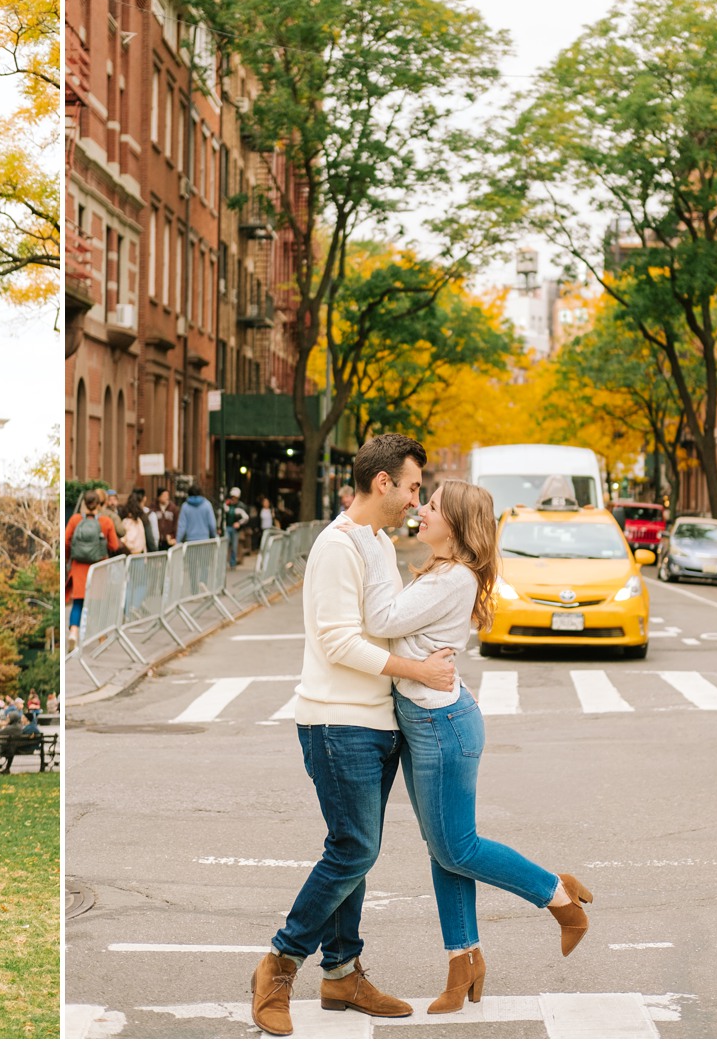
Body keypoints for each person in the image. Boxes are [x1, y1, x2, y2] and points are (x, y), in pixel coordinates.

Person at [340, 481, 592, 1013]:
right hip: (427, 720)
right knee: (445, 851)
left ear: (454, 524)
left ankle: (558, 897)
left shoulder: (452, 577)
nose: (421, 510)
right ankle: (464, 964)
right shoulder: (440, 571)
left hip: (441, 728)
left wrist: (363, 535)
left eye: (430, 506)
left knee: (458, 848)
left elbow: (382, 621)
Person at [249, 434, 458, 1037]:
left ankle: (342, 973)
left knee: (352, 851)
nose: (419, 499)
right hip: (336, 719)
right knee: (355, 848)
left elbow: (386, 622)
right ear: (383, 483)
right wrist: (419, 670)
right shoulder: (338, 546)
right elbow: (339, 641)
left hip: (373, 718)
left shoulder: (375, 540)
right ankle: (279, 964)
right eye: (414, 486)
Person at [65, 490, 120, 648]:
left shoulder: (75, 520)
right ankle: (101, 636)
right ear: (99, 504)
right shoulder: (106, 522)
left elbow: (66, 541)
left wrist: (71, 557)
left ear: (84, 504)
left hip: (78, 567)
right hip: (98, 568)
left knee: (78, 603)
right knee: (98, 603)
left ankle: (74, 633)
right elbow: (114, 545)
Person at [225, 487, 251, 567]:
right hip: (227, 527)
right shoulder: (227, 505)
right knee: (226, 544)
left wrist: (239, 523)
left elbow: (246, 517)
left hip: (235, 529)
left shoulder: (240, 506)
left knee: (234, 546)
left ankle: (233, 563)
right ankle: (225, 562)